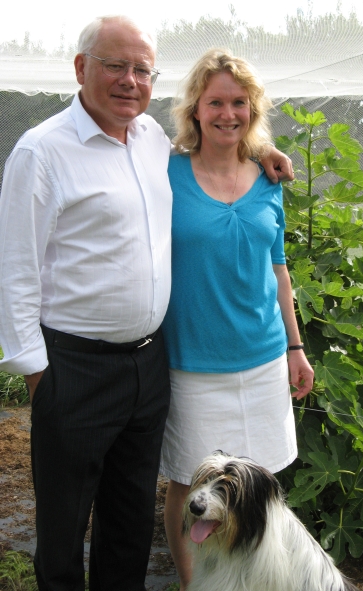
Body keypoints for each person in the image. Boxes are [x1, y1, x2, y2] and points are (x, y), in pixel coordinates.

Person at [0, 16, 295, 591]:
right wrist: (38, 376)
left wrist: (265, 151)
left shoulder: (151, 142)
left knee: (129, 517)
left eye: (142, 70)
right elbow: (14, 273)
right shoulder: (42, 152)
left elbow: (224, 141)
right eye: (115, 65)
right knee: (64, 522)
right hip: (74, 366)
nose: (129, 80)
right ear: (82, 68)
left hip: (148, 363)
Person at [159, 49, 315, 590]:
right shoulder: (166, 171)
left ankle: (251, 581)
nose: (229, 113)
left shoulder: (269, 180)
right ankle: (192, 584)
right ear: (195, 110)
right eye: (216, 102)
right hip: (194, 364)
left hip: (265, 359)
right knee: (189, 485)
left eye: (239, 103)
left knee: (258, 483)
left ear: (253, 108)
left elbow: (280, 272)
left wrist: (296, 349)